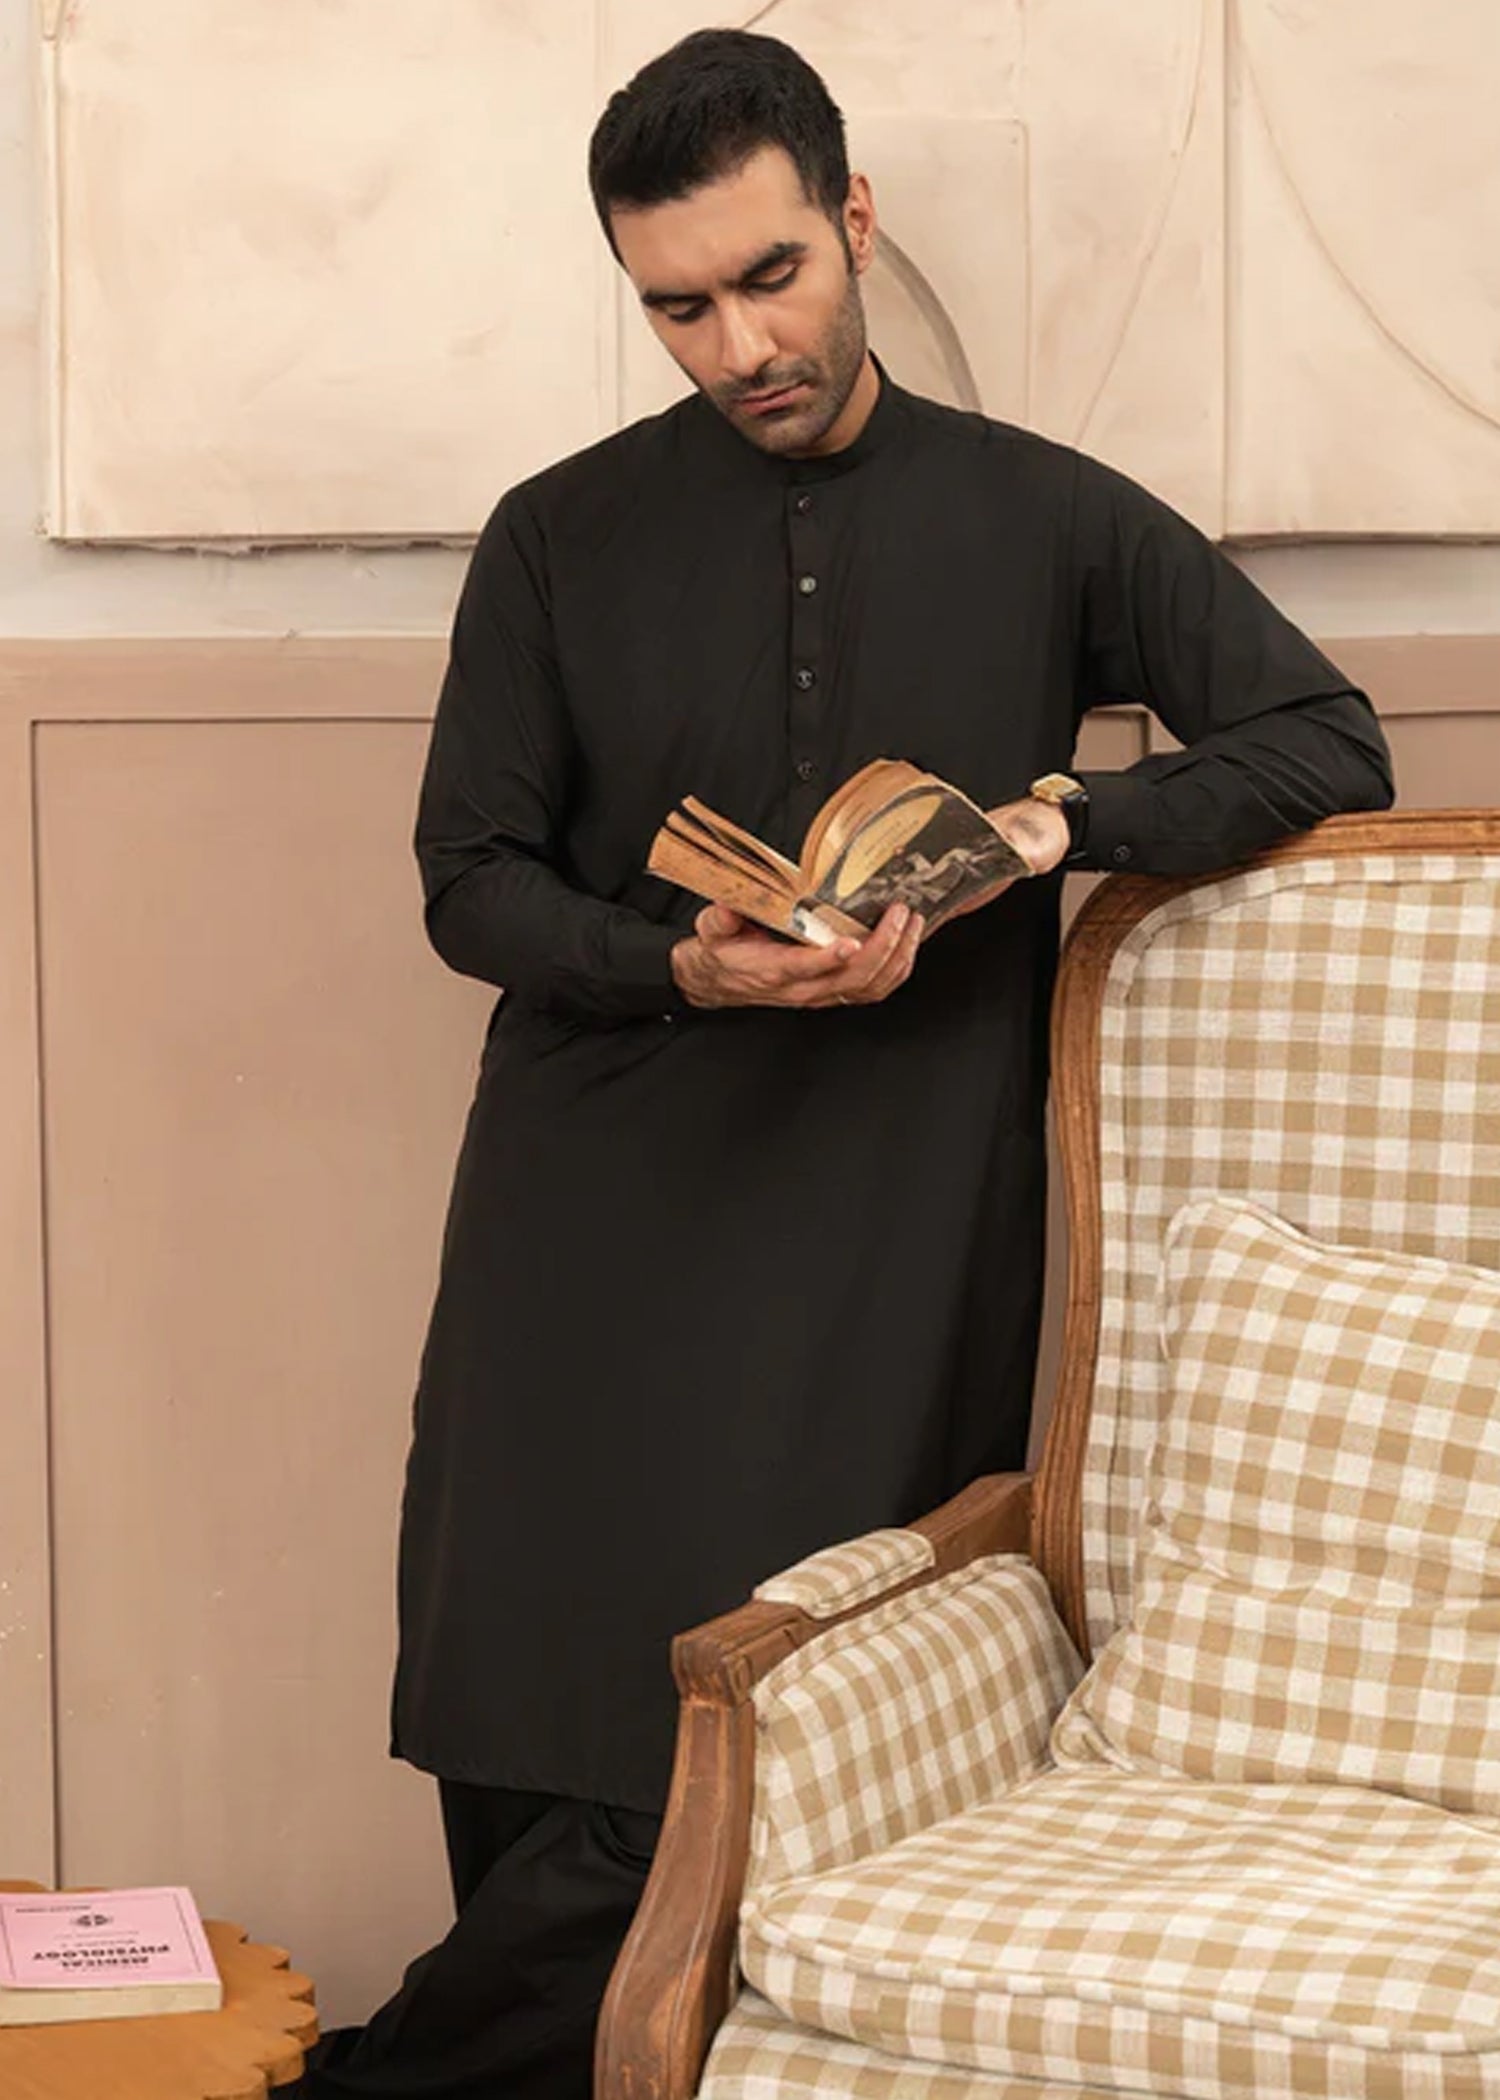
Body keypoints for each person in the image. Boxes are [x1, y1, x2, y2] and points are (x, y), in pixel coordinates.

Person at [292, 26, 1393, 2100]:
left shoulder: (1045, 515)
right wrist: (679, 965)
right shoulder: (559, 535)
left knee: (780, 1727)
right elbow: (469, 884)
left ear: (855, 219)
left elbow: (1324, 739)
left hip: (894, 1225)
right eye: (678, 308)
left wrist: (1057, 828)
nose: (738, 347)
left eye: (771, 278)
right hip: (587, 1218)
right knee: (542, 1722)